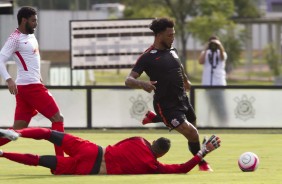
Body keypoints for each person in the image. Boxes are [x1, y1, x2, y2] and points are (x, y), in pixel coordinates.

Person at [125, 17, 212, 171]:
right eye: (170, 35)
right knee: (192, 133)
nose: (173, 38)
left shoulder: (172, 50)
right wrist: (142, 84)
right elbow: (128, 80)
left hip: (182, 100)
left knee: (193, 129)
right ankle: (202, 164)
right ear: (159, 35)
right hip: (166, 106)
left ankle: (154, 118)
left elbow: (179, 66)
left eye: (174, 34)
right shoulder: (147, 57)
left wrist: (186, 80)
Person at [0, 128, 221, 175]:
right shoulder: (152, 166)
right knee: (40, 161)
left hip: (91, 149)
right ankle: (2, 155)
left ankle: (15, 132)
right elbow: (181, 169)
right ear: (161, 154)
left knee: (50, 134)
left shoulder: (138, 139)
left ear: (153, 141)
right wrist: (202, 152)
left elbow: (123, 144)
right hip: (89, 168)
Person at [0, 7, 64, 156]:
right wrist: (9, 79)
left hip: (29, 86)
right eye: (33, 20)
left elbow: (32, 62)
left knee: (18, 127)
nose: (36, 23)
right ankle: (61, 161)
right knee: (57, 118)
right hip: (30, 87)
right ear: (24, 21)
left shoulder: (31, 35)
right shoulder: (14, 39)